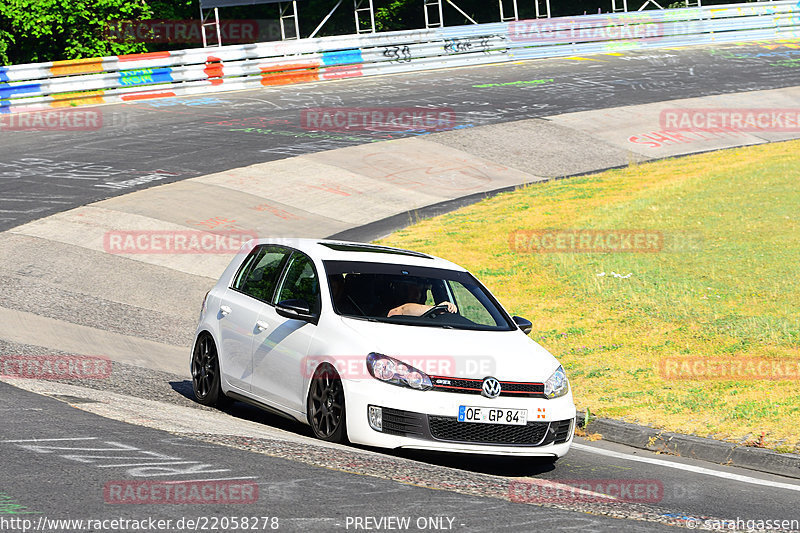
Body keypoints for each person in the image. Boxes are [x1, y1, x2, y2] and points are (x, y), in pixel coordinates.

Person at [387, 280, 457, 317]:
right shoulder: (387, 312)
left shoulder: (433, 318)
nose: (417, 294)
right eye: (412, 290)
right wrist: (437, 308)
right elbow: (403, 310)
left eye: (420, 290)